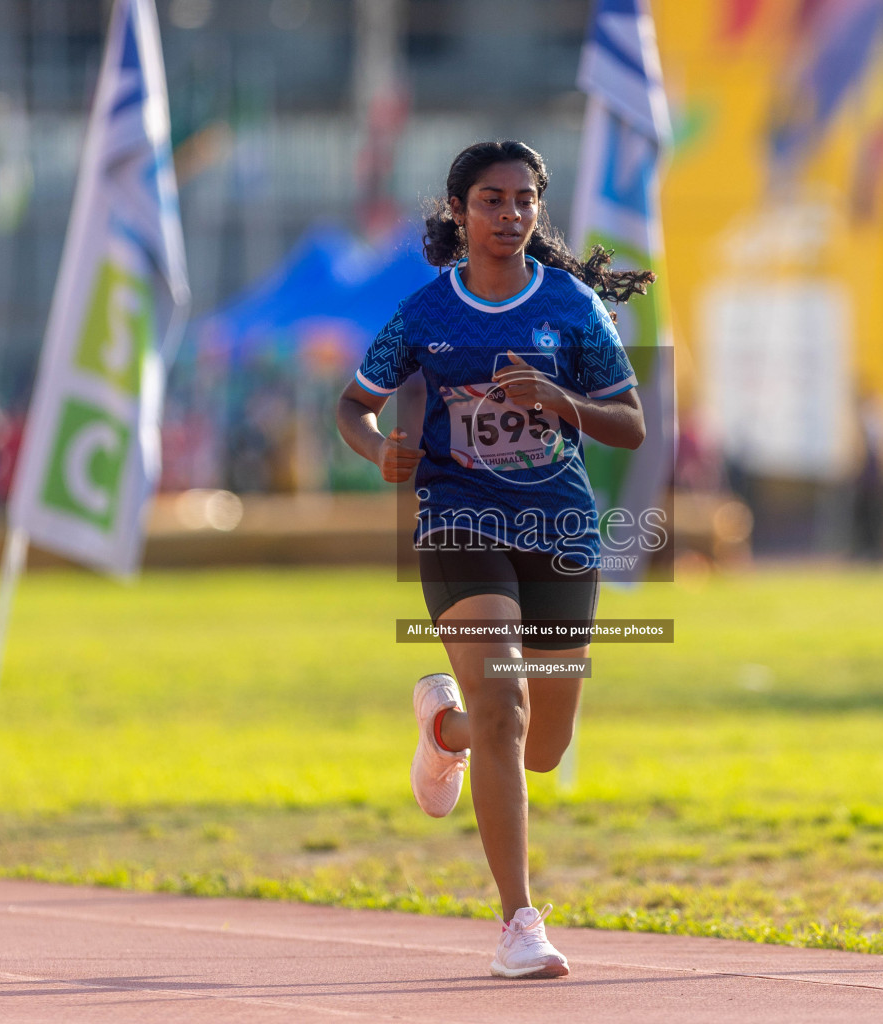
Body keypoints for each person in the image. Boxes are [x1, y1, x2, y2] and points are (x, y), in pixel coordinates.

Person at [336, 140, 652, 980]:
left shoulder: (574, 307)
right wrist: (378, 452)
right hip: (458, 522)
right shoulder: (424, 314)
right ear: (458, 212)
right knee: (506, 708)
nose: (508, 215)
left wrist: (560, 402)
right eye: (490, 200)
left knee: (538, 743)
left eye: (522, 201)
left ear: (537, 211)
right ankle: (519, 922)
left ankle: (444, 730)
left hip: (558, 530)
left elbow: (631, 424)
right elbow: (354, 404)